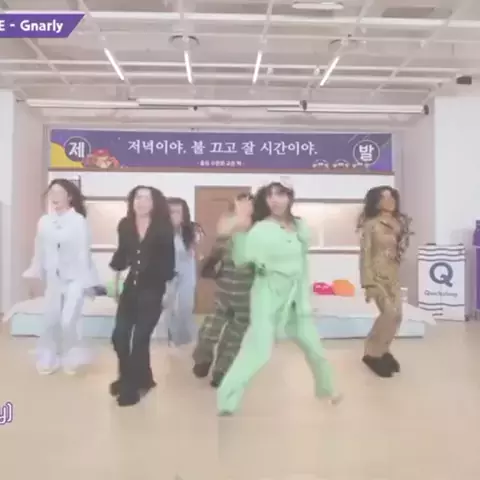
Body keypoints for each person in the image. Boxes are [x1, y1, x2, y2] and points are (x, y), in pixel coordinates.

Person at [216, 181, 341, 416]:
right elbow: (241, 259)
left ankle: (327, 390)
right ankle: (226, 400)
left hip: (297, 297)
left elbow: (303, 263)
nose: (275, 200)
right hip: (267, 293)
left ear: (289, 198)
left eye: (280, 194)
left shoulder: (300, 226)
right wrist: (241, 225)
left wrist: (306, 298)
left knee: (315, 349)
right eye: (270, 195)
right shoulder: (260, 228)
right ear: (264, 201)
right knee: (257, 351)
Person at [23, 179, 98, 375]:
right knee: (51, 319)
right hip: (53, 278)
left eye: (59, 192)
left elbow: (84, 253)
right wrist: (35, 269)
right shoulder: (44, 221)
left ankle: (72, 354)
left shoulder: (78, 221)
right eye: (52, 192)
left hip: (76, 277)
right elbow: (39, 248)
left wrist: (88, 282)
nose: (54, 197)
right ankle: (50, 355)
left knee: (68, 319)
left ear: (69, 197)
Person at [109, 186, 175, 407]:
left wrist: (168, 293)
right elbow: (121, 256)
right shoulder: (125, 225)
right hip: (131, 288)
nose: (142, 202)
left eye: (147, 198)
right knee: (119, 336)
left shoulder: (163, 228)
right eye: (138, 197)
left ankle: (130, 388)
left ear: (154, 203)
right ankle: (138, 377)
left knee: (139, 339)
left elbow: (169, 262)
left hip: (153, 289)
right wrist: (115, 284)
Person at [192, 193, 254, 388]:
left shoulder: (260, 233)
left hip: (246, 298)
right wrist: (209, 267)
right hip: (223, 293)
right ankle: (203, 359)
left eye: (249, 203)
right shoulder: (227, 228)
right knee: (209, 331)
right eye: (241, 202)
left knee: (233, 338)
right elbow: (214, 256)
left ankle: (221, 371)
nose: (245, 206)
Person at [358, 186, 412, 378]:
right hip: (377, 276)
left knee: (397, 316)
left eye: (392, 198)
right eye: (384, 198)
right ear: (376, 202)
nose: (390, 202)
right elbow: (365, 255)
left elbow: (399, 249)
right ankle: (372, 353)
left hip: (393, 275)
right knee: (388, 313)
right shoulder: (371, 225)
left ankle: (383, 349)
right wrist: (368, 283)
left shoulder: (398, 223)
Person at [162, 197, 197, 351]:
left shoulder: (190, 231)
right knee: (169, 307)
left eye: (178, 212)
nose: (174, 215)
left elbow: (192, 252)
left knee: (186, 306)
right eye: (171, 212)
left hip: (186, 273)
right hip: (167, 273)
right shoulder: (160, 231)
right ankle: (172, 339)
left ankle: (185, 340)